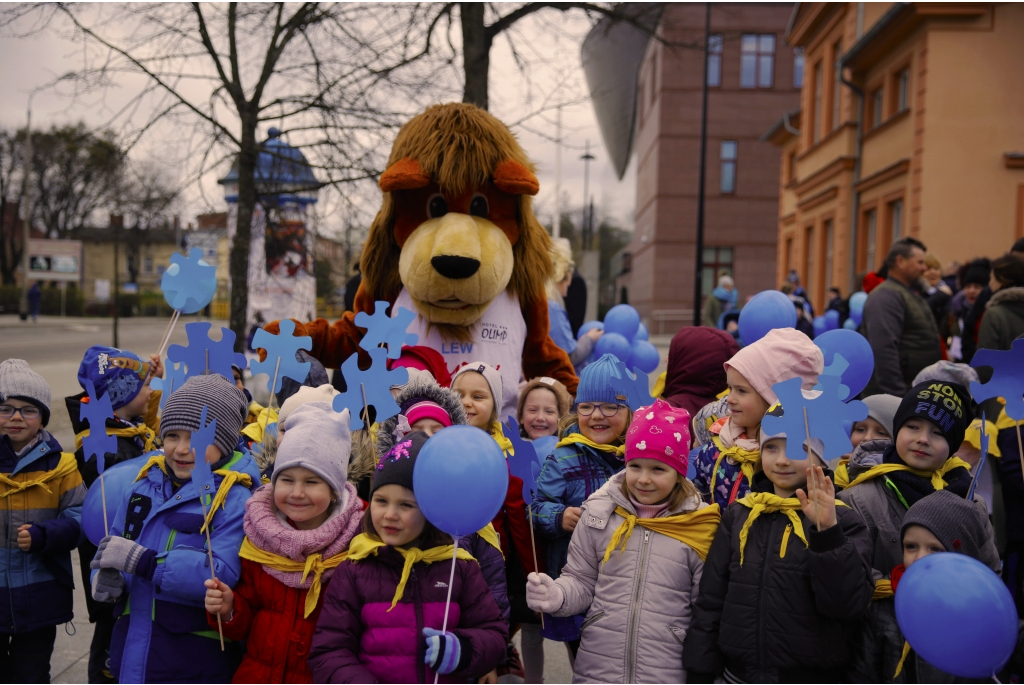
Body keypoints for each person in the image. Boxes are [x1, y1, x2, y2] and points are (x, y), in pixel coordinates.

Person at [525, 399, 720, 683]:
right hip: (599, 667)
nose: (643, 479)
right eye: (635, 466)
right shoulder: (598, 512)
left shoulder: (698, 525)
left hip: (666, 670)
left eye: (658, 469)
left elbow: (704, 604)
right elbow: (580, 579)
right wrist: (557, 595)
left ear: (678, 473)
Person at [90, 374, 260, 683]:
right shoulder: (143, 485)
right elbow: (115, 546)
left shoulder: (233, 498)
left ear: (222, 443)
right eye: (172, 436)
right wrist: (104, 576)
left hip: (189, 656)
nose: (182, 449)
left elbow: (221, 573)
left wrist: (145, 563)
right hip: (133, 646)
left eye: (197, 439)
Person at [308, 431, 508, 683]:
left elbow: (494, 634)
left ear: (430, 510)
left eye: (406, 505)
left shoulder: (460, 567)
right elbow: (330, 650)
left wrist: (464, 651)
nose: (390, 514)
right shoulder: (354, 569)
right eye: (381, 500)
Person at [683, 421, 874, 682]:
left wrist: (827, 532)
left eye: (798, 448)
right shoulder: (740, 514)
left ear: (819, 456)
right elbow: (712, 598)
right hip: (737, 674)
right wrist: (701, 668)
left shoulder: (842, 520)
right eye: (771, 447)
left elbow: (846, 605)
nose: (782, 460)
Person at [203, 404, 364, 683]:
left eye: (312, 482)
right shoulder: (259, 537)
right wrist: (229, 609)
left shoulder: (359, 546)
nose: (297, 493)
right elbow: (243, 624)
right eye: (287, 480)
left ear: (335, 491)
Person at [837, 380, 1000, 584]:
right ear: (897, 430)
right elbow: (850, 576)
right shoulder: (857, 499)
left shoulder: (972, 503)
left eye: (938, 432)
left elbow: (989, 574)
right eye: (913, 426)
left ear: (953, 445)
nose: (923, 439)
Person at [67, 346, 162, 683]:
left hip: (127, 551)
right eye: (144, 387)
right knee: (110, 633)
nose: (151, 392)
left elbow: (151, 433)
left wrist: (149, 378)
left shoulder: (128, 429)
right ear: (122, 393)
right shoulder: (101, 445)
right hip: (107, 558)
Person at [531, 354, 632, 655]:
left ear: (629, 412)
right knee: (586, 655)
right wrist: (558, 516)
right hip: (579, 577)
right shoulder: (563, 457)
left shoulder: (637, 459)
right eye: (587, 407)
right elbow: (536, 507)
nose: (597, 415)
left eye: (610, 406)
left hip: (624, 575)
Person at [850, 490, 1001, 682]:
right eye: (911, 546)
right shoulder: (884, 609)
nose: (920, 558)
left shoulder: (982, 611)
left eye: (935, 549)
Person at [0, 359, 86, 683]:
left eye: (28, 409)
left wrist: (45, 535)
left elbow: (81, 517)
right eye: (6, 408)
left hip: (40, 594)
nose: (16, 417)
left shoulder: (62, 467)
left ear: (42, 418)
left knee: (32, 673)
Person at [452, 362, 532, 682]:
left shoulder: (506, 454)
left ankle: (496, 653)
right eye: (458, 394)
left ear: (496, 407)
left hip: (492, 559)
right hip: (447, 552)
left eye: (478, 396)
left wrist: (528, 571)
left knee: (488, 611)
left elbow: (517, 518)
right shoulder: (434, 440)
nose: (467, 402)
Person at [691, 327, 824, 508]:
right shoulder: (717, 447)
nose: (729, 399)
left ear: (772, 397)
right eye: (730, 388)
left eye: (741, 391)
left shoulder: (792, 460)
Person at [862, 238, 942, 396]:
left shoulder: (906, 293)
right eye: (920, 262)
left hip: (912, 393)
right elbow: (883, 350)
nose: (924, 268)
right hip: (894, 399)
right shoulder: (886, 296)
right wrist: (898, 396)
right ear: (901, 261)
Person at [660, 326, 739, 420]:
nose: (666, 359)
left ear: (685, 362)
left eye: (674, 355)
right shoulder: (727, 414)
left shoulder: (664, 412)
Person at [547, 238, 601, 367]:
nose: (565, 294)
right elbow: (569, 356)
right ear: (559, 277)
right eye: (566, 286)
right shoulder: (551, 308)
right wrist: (590, 339)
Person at [834, 394, 901, 490]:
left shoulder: (903, 483)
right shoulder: (838, 476)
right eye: (860, 430)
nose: (867, 438)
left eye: (882, 433)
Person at [977, 253, 1024, 352]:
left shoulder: (994, 315)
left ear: (1002, 279)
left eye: (991, 278)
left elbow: (986, 362)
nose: (989, 283)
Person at [948, 258, 990, 360]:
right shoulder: (956, 311)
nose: (971, 291)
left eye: (977, 287)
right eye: (968, 286)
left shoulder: (989, 314)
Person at [517, 376, 571, 441]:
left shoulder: (568, 449)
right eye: (533, 410)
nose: (540, 418)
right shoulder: (509, 447)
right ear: (522, 417)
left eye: (549, 411)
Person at [922, 253, 953, 331]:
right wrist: (940, 295)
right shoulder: (917, 292)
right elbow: (921, 310)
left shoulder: (947, 291)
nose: (933, 272)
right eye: (928, 269)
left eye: (936, 268)